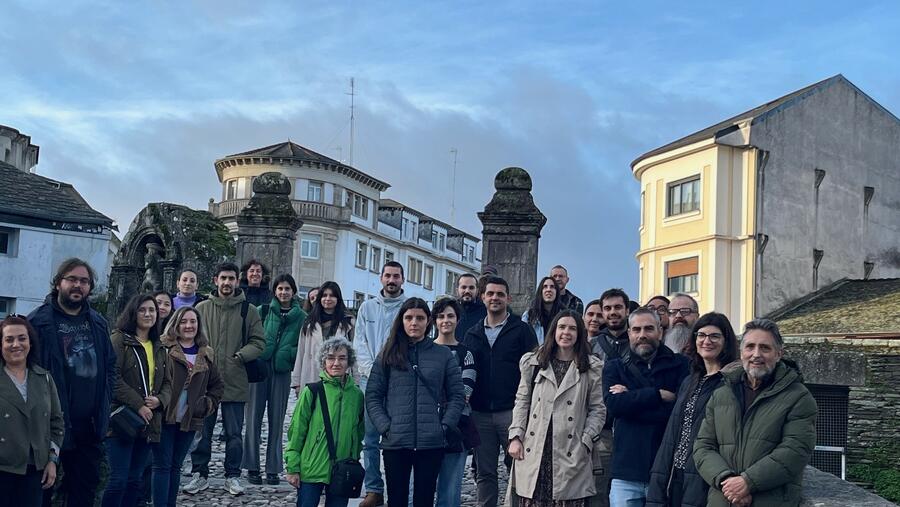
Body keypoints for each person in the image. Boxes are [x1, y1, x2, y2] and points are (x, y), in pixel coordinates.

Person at [693, 319, 817, 507]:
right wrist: (727, 480)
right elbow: (703, 446)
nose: (756, 354)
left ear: (778, 354)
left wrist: (747, 483)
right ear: (742, 352)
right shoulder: (722, 394)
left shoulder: (798, 397)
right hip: (723, 499)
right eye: (750, 347)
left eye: (765, 348)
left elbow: (795, 450)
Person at [27, 258, 116, 507]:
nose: (78, 285)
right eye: (72, 279)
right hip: (49, 425)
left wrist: (105, 404)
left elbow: (110, 365)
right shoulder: (38, 322)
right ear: (58, 284)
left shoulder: (98, 322)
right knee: (41, 492)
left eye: (84, 281)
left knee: (84, 493)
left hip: (88, 425)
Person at [365, 298, 465, 507]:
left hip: (431, 441)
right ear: (401, 320)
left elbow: (457, 395)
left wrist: (444, 426)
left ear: (428, 321)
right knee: (397, 500)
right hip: (396, 441)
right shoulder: (388, 354)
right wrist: (385, 427)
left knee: (424, 499)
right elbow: (373, 395)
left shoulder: (443, 354)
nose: (414, 323)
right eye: (409, 318)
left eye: (420, 318)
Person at [184, 262, 266, 496]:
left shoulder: (248, 310)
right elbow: (188, 336)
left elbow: (259, 341)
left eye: (231, 278)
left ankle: (232, 475)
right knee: (202, 432)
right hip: (204, 381)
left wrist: (241, 356)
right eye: (223, 278)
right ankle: (200, 474)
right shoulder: (201, 308)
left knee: (233, 433)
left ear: (237, 280)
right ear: (215, 280)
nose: (227, 283)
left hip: (235, 378)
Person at [508, 310, 606, 506]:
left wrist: (585, 440)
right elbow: (522, 401)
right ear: (553, 330)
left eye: (572, 328)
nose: (566, 332)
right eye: (562, 327)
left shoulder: (591, 366)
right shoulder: (534, 362)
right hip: (534, 447)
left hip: (571, 449)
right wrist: (516, 436)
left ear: (580, 333)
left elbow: (598, 408)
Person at [646, 312, 739, 507]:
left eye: (715, 336)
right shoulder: (690, 380)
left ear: (726, 341)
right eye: (701, 335)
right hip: (675, 473)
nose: (707, 341)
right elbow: (673, 434)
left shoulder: (733, 381)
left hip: (706, 475)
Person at [463, 276, 539, 507]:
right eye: (490, 293)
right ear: (483, 297)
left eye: (500, 294)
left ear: (508, 298)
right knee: (485, 472)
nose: (495, 297)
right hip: (481, 411)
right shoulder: (472, 333)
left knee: (517, 468)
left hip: (512, 411)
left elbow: (534, 369)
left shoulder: (522, 330)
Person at [603, 308, 689, 506]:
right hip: (625, 473)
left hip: (665, 472)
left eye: (649, 329)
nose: (642, 335)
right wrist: (657, 394)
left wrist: (631, 398)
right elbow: (615, 407)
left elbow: (679, 412)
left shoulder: (682, 365)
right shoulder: (614, 367)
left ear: (660, 331)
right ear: (629, 333)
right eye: (637, 329)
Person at [102, 294, 172, 507]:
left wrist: (160, 400)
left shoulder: (158, 345)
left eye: (152, 310)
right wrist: (138, 404)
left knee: (135, 480)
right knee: (118, 480)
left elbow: (168, 382)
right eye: (143, 310)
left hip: (148, 422)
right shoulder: (119, 340)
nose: (148, 314)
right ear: (133, 313)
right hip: (122, 419)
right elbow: (112, 377)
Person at [152, 306, 223, 507]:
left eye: (193, 321)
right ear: (176, 323)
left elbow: (217, 385)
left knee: (175, 467)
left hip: (189, 419)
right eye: (184, 321)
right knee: (162, 466)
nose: (188, 326)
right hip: (164, 415)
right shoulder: (163, 348)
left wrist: (206, 405)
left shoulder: (206, 353)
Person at [243, 274, 307, 486]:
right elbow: (251, 336)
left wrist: (289, 354)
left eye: (287, 289)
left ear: (293, 291)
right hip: (260, 369)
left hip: (281, 371)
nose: (283, 292)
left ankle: (273, 468)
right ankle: (252, 466)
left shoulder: (302, 317)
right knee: (253, 419)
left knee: (277, 421)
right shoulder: (262, 311)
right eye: (280, 289)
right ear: (275, 291)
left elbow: (304, 345)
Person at [353, 261, 408, 507]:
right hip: (371, 379)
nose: (391, 280)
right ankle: (374, 489)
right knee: (370, 438)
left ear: (402, 280)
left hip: (399, 379)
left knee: (399, 436)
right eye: (387, 275)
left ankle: (401, 487)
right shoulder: (367, 307)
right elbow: (360, 342)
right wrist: (371, 371)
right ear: (381, 278)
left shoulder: (408, 308)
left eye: (396, 276)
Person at [286, 337, 365, 507]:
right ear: (323, 362)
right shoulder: (312, 391)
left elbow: (358, 432)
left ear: (349, 362)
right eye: (331, 357)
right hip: (312, 467)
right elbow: (297, 431)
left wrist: (354, 458)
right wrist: (293, 466)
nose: (336, 363)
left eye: (342, 358)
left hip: (342, 469)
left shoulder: (357, 395)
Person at [0, 316, 64, 507]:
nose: (16, 344)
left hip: (35, 471)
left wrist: (52, 461)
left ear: (30, 342)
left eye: (22, 338)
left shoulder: (44, 379)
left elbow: (57, 423)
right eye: (9, 339)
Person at [432, 297, 477, 507]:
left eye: (450, 316)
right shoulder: (425, 351)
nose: (445, 320)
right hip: (427, 425)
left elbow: (465, 390)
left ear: (457, 320)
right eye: (441, 316)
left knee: (450, 490)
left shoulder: (465, 353)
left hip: (457, 424)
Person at [292, 281, 353, 393]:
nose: (328, 299)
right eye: (324, 295)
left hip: (339, 374)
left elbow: (354, 353)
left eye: (332, 295)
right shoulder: (309, 322)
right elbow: (300, 353)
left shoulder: (348, 323)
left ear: (338, 298)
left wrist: (356, 381)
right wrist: (296, 382)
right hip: (312, 374)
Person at [591, 289, 631, 363]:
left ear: (627, 311)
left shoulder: (639, 342)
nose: (613, 312)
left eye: (618, 307)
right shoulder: (591, 345)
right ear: (602, 313)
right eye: (607, 308)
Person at [521, 276, 563, 346]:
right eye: (545, 287)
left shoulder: (563, 316)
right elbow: (522, 339)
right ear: (540, 291)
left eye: (552, 287)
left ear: (556, 292)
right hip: (535, 354)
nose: (548, 290)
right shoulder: (528, 315)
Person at [455, 273, 487, 340]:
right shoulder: (451, 309)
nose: (467, 291)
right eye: (463, 287)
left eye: (471, 288)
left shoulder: (486, 311)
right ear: (457, 290)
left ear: (477, 290)